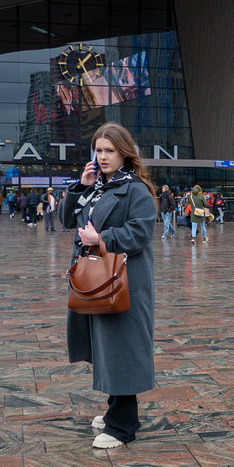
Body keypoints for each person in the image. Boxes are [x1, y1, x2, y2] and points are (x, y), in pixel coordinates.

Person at [59, 122, 157, 450]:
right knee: (107, 347)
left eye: (109, 151)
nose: (102, 157)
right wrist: (80, 186)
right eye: (98, 150)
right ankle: (116, 409)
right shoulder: (98, 185)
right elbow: (67, 220)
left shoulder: (135, 189)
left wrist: (102, 238)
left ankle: (123, 424)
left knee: (122, 349)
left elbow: (141, 233)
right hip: (98, 280)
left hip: (124, 281)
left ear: (124, 152)